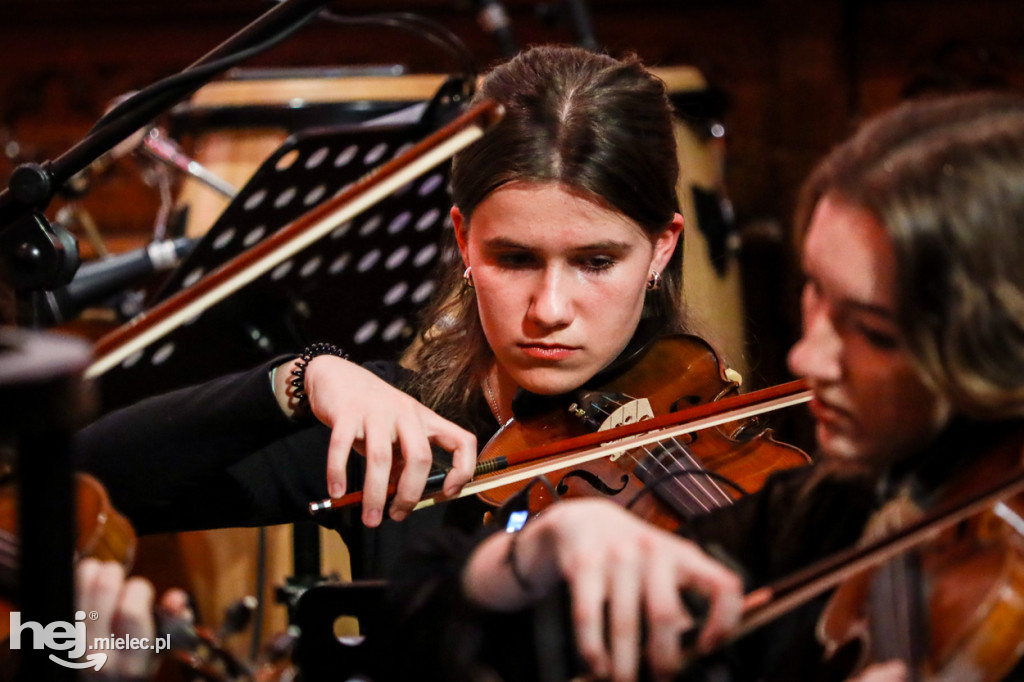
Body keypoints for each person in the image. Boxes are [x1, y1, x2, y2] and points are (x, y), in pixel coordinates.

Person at [374, 91, 1024, 682]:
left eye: (874, 333)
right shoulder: (838, 510)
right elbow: (422, 624)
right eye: (816, 296)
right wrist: (532, 559)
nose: (808, 354)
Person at [72, 44, 694, 577]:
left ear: (660, 248)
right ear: (463, 241)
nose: (550, 309)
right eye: (515, 258)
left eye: (595, 262)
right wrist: (301, 379)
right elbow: (75, 487)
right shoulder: (399, 434)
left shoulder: (719, 463)